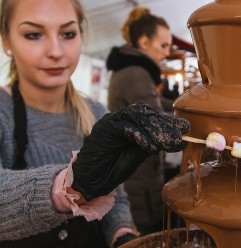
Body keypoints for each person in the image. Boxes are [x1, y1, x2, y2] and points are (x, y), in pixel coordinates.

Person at [0, 1, 189, 248]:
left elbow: (116, 196)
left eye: (68, 34)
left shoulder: (95, 113)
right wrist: (70, 186)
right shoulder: (4, 112)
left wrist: (123, 232)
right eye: (33, 35)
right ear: (6, 41)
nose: (55, 51)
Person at [106, 7, 174, 235]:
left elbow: (154, 104)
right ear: (144, 42)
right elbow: (156, 124)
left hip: (136, 170)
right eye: (163, 45)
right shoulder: (137, 73)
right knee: (146, 232)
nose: (167, 51)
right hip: (139, 174)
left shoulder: (130, 69)